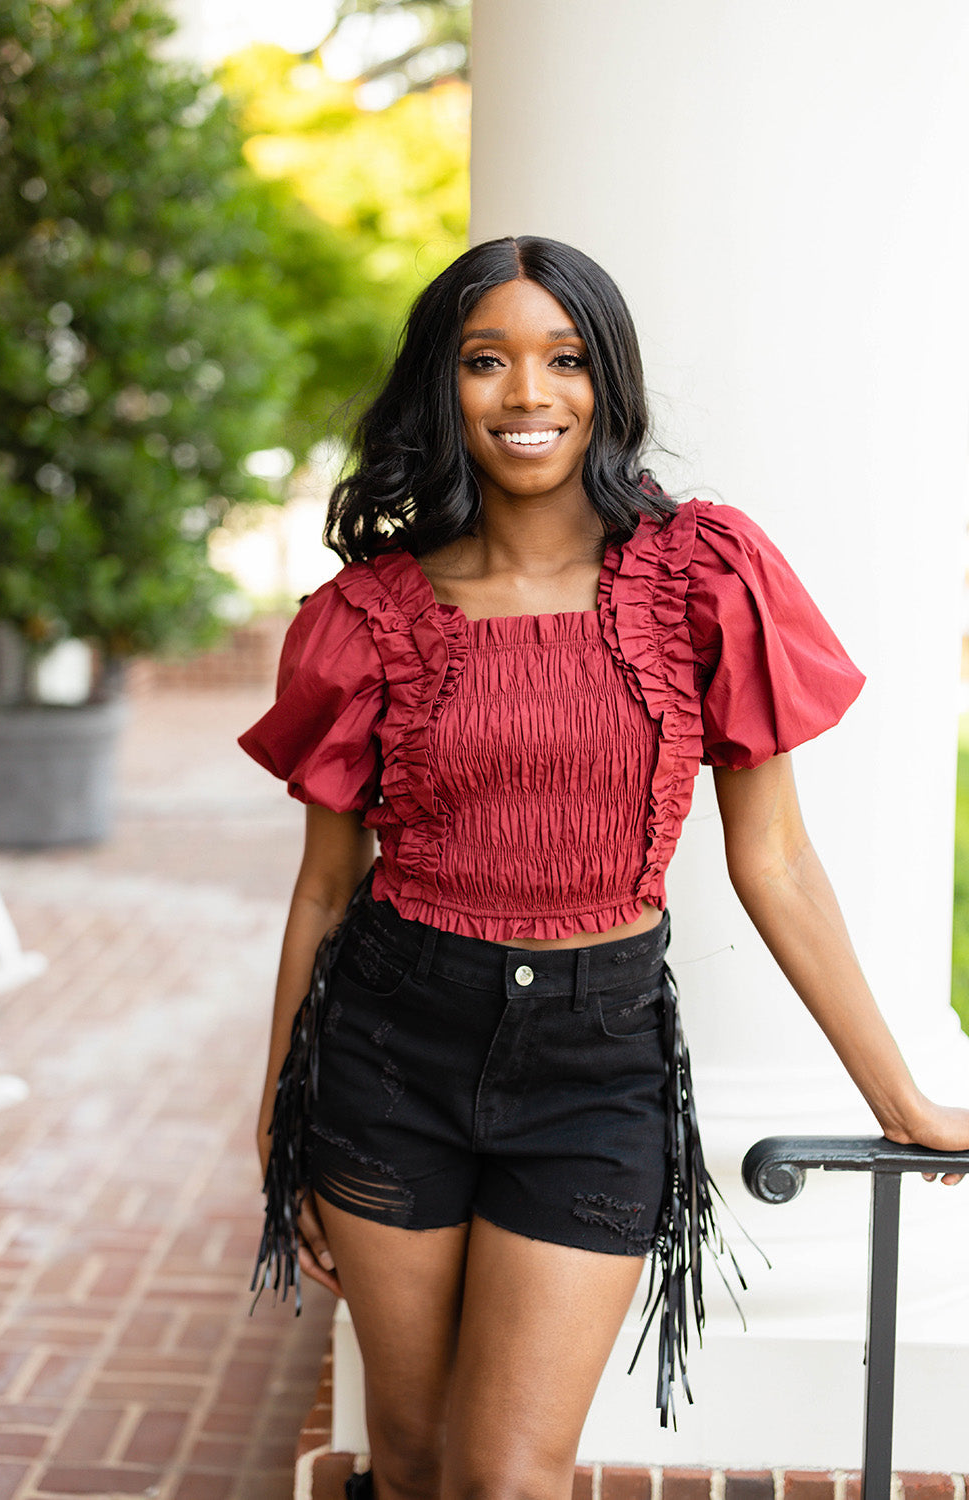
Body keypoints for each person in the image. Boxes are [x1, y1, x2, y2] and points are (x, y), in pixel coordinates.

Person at [239, 236, 969, 1500]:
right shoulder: (367, 616)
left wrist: (897, 1098)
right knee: (408, 1463)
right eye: (487, 361)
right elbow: (321, 884)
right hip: (385, 1046)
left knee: (509, 1474)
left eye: (563, 359)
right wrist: (277, 1112)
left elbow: (777, 862)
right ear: (441, 385)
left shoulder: (700, 576)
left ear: (606, 382)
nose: (528, 395)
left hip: (597, 1067)